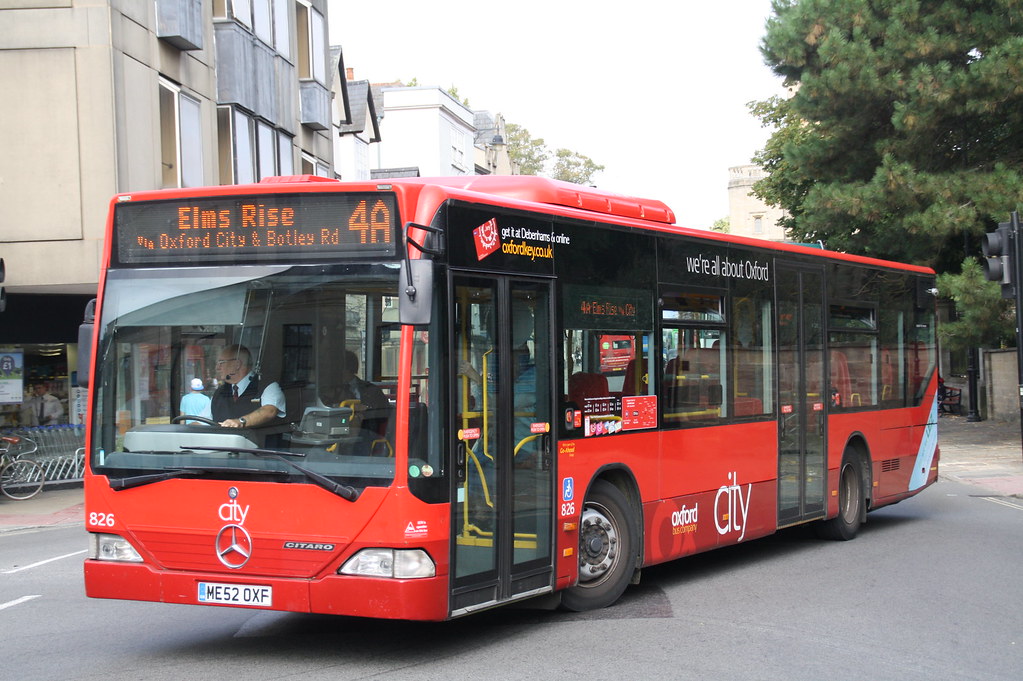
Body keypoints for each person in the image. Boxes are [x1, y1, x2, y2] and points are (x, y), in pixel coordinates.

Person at [211, 345, 286, 428]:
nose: (217, 368)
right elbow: (202, 420)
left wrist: (240, 422)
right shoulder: (219, 392)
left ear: (237, 364)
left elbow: (269, 411)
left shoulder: (267, 386)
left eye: (221, 363)